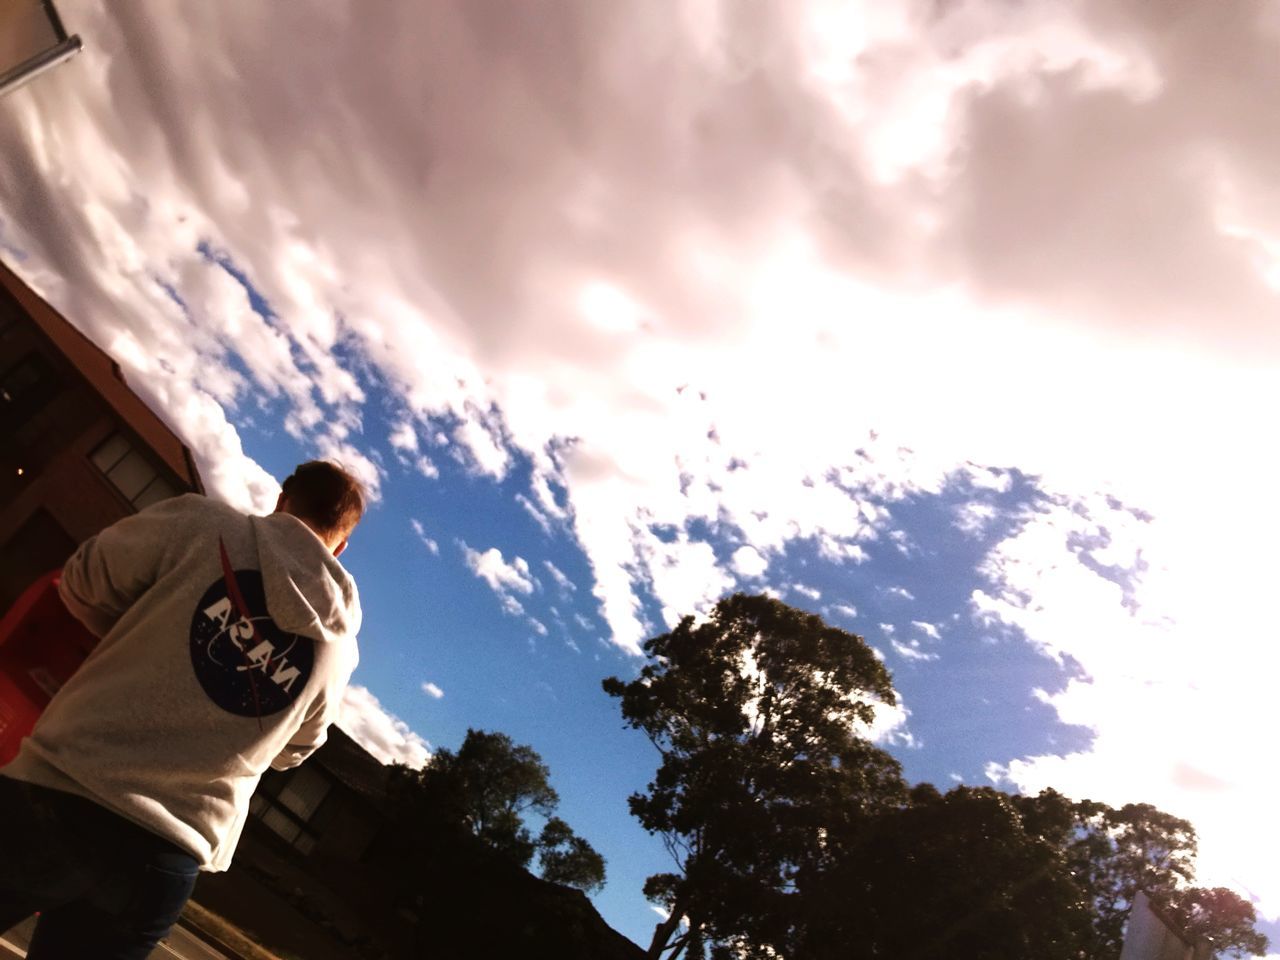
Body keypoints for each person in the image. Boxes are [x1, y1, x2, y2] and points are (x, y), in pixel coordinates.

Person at [0, 460, 364, 958]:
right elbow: (293, 752)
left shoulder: (203, 525)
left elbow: (83, 580)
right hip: (164, 860)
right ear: (341, 547)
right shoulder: (339, 652)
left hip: (61, 793)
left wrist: (144, 638)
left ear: (283, 501)